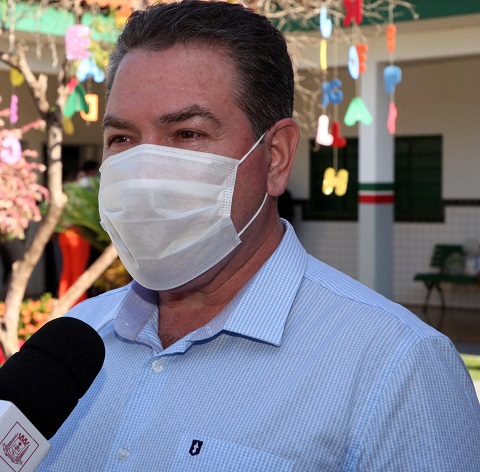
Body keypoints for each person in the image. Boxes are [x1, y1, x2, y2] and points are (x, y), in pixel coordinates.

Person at [38, 2, 480, 470]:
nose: (145, 173)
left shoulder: (396, 367)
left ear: (276, 157)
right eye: (122, 139)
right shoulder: (72, 345)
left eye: (187, 134)